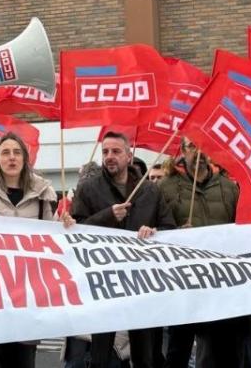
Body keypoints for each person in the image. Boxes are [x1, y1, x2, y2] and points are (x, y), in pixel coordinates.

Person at [64, 131, 175, 368]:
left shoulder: (150, 191)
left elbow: (168, 227)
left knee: (145, 353)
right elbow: (76, 230)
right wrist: (108, 216)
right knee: (101, 354)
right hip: (104, 279)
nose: (109, 156)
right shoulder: (88, 188)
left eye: (116, 151)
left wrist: (153, 231)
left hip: (141, 280)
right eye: (105, 152)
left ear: (129, 155)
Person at [0, 132, 57, 368]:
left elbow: (54, 239)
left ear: (25, 158)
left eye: (17, 152)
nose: (11, 158)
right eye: (5, 152)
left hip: (26, 295)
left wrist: (65, 225)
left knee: (23, 361)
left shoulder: (42, 194)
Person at [158, 139, 244, 368]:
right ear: (182, 151)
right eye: (192, 146)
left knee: (226, 352)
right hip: (183, 282)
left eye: (203, 145)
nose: (199, 152)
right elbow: (155, 227)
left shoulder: (228, 187)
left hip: (221, 283)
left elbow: (243, 228)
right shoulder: (166, 187)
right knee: (178, 351)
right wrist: (175, 233)